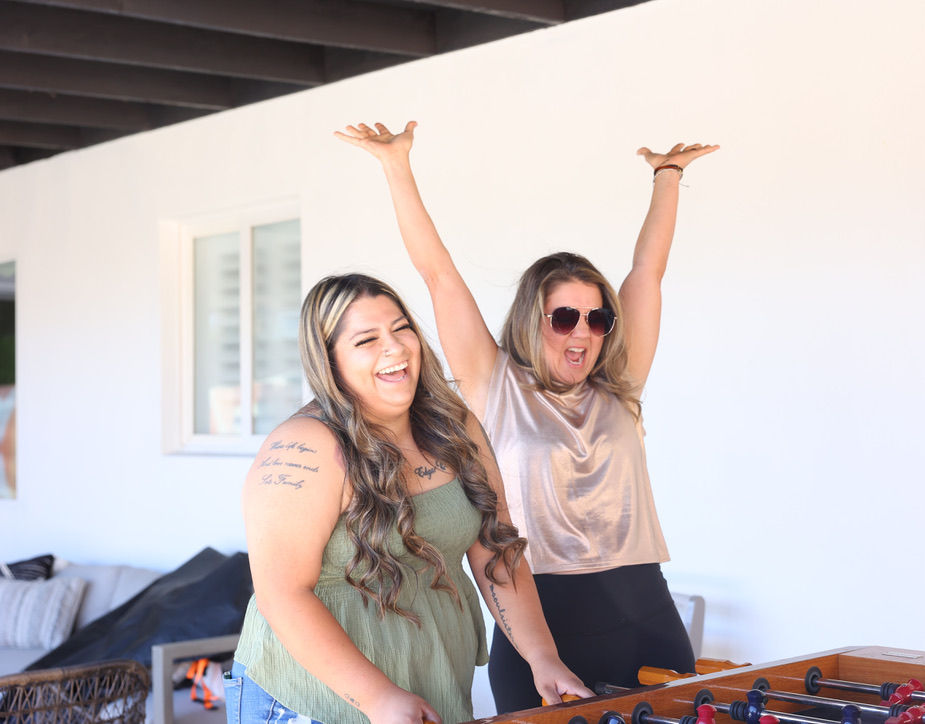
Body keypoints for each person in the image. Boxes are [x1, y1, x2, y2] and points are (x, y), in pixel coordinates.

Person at [335, 120, 718, 712]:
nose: (583, 332)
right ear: (532, 319)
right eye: (564, 317)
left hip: (644, 609)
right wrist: (396, 166)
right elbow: (438, 274)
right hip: (540, 621)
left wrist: (666, 176)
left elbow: (647, 273)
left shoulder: (620, 388)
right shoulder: (495, 386)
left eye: (598, 319)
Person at [225, 273, 591, 724]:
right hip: (307, 701)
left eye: (401, 328)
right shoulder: (308, 445)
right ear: (329, 360)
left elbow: (496, 548)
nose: (395, 347)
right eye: (367, 340)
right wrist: (378, 697)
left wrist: (542, 656)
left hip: (429, 686)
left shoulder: (455, 426)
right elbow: (281, 594)